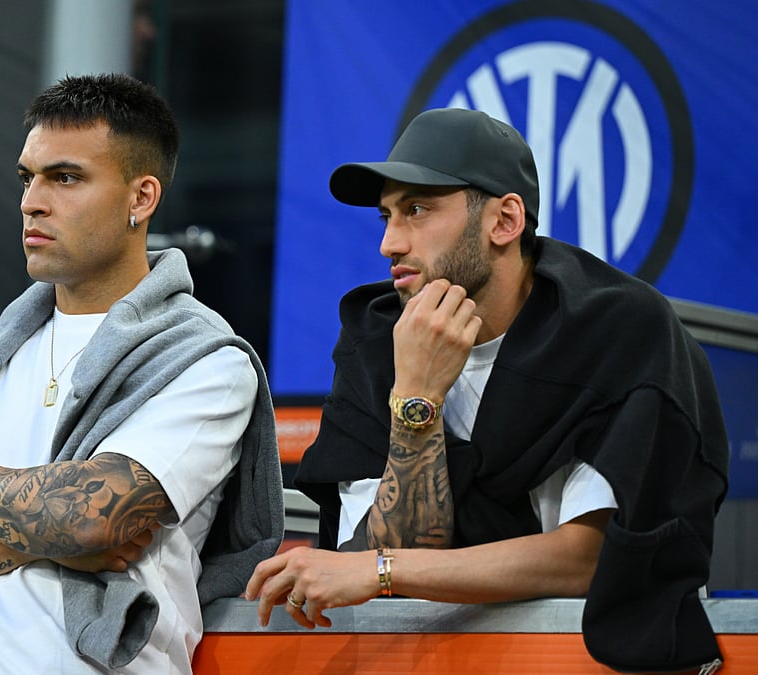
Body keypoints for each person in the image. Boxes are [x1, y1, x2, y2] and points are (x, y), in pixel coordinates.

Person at [244, 108, 729, 673]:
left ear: (504, 220)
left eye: (417, 210)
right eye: (386, 216)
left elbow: (590, 560)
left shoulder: (617, 330)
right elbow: (389, 557)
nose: (389, 243)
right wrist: (416, 400)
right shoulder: (376, 342)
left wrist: (381, 570)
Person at [0, 73, 283, 674]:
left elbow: (91, 518)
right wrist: (51, 538)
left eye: (65, 177)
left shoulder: (203, 361)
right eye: (26, 177)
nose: (32, 201)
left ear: (142, 198)